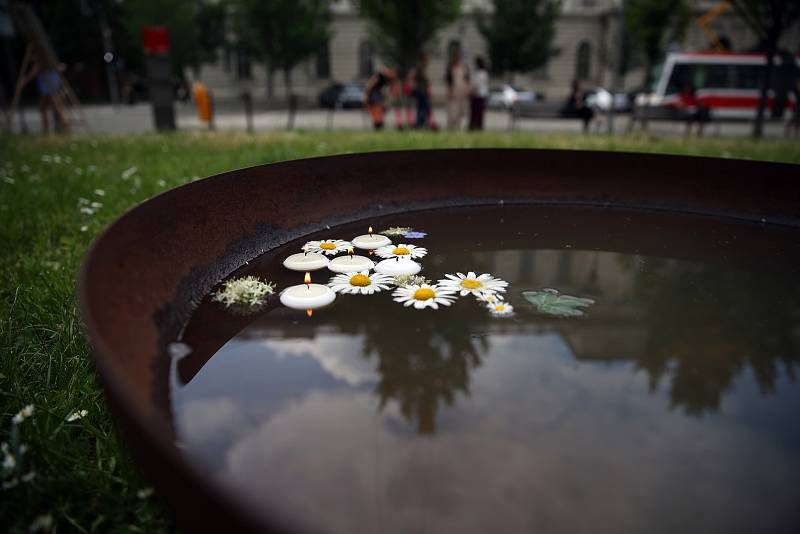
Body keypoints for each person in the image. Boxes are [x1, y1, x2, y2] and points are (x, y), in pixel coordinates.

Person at [363, 66, 397, 130]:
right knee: (376, 110)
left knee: (380, 111)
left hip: (379, 95)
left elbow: (389, 91)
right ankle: (378, 125)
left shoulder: (388, 79)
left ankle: (379, 124)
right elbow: (369, 86)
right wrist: (366, 96)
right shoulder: (379, 76)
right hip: (374, 95)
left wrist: (388, 100)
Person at [36, 68, 65, 133]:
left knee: (55, 109)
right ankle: (58, 127)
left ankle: (62, 127)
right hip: (49, 90)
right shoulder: (51, 68)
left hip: (48, 90)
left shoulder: (42, 66)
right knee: (53, 109)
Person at [445, 52, 469, 130]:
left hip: (461, 90)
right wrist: (450, 90)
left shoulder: (463, 67)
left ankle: (458, 124)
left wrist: (466, 89)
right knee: (452, 107)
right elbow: (449, 80)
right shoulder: (451, 68)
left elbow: (466, 79)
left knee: (460, 108)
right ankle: (451, 124)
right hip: (453, 89)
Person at [469, 56, 489, 130]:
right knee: (478, 112)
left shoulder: (480, 73)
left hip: (477, 95)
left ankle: (475, 125)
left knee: (476, 112)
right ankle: (478, 125)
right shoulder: (484, 73)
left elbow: (476, 84)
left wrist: (473, 91)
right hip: (481, 95)